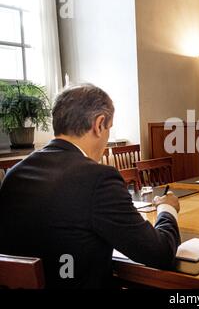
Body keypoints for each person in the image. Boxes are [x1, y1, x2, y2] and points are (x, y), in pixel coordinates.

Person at [0, 84, 181, 289]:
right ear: (99, 124)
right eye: (109, 129)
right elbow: (160, 254)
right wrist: (167, 209)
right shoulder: (99, 178)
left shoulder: (14, 174)